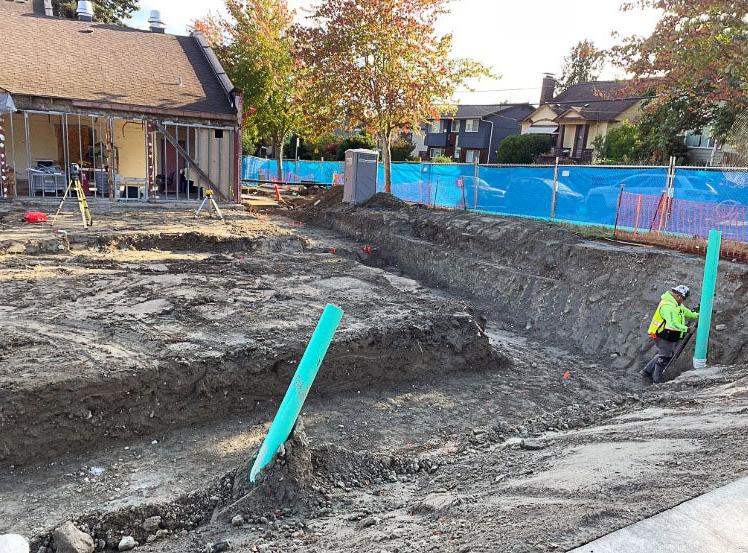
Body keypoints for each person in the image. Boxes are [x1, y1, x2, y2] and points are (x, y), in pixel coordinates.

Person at [641, 285, 699, 384]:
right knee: (665, 356)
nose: (683, 301)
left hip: (669, 334)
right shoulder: (668, 306)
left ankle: (646, 371)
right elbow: (673, 324)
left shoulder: (677, 304)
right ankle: (657, 380)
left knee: (664, 354)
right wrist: (687, 329)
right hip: (661, 334)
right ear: (679, 296)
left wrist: (698, 314)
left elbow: (687, 312)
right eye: (683, 298)